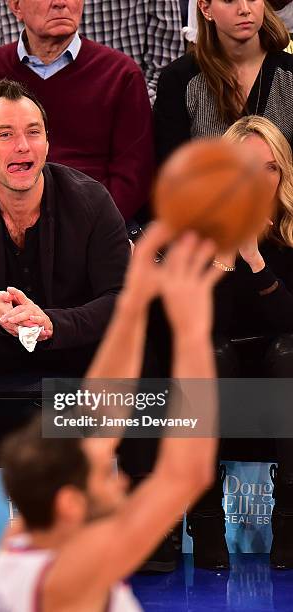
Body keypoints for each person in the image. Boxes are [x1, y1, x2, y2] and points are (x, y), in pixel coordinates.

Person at [0, 79, 130, 571]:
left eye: (33, 132)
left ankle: (144, 519)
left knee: (141, 347)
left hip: (72, 337)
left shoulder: (90, 199)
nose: (23, 147)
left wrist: (57, 323)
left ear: (47, 141)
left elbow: (125, 300)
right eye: (6, 134)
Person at [0, 223, 222, 611]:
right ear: (70, 504)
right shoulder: (73, 575)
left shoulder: (23, 537)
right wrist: (192, 330)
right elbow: (189, 474)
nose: (120, 479)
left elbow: (104, 402)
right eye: (102, 478)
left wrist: (132, 302)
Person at [0, 0, 154, 221]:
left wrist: (94, 226)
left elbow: (134, 176)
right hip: (3, 225)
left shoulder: (121, 75)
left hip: (95, 224)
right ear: (16, 6)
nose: (61, 3)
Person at [209, 116, 293, 570]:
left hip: (282, 367)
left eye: (270, 168)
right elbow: (204, 325)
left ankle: (290, 518)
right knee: (209, 353)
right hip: (223, 365)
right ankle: (204, 523)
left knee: (289, 352)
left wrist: (255, 260)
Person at [154, 0, 293, 165]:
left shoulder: (289, 75)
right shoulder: (178, 79)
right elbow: (173, 170)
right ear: (206, 9)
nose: (244, 9)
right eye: (229, 0)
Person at [0, 0, 184, 105]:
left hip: (123, 111)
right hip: (22, 119)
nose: (60, 4)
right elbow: (7, 63)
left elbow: (165, 78)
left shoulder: (124, 73)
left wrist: (125, 105)